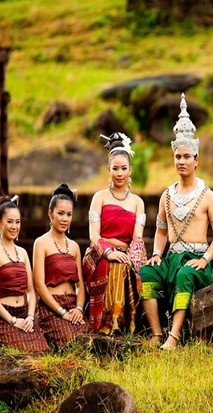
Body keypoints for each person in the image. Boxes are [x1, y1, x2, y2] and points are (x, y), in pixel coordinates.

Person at [140, 93, 213, 350]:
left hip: (196, 260)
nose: (182, 161)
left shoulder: (208, 195)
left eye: (187, 157)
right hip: (171, 258)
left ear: (196, 160)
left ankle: (174, 336)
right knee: (147, 272)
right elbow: (161, 230)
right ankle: (156, 333)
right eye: (178, 157)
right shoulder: (167, 194)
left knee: (186, 275)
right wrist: (156, 253)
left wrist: (205, 259)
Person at [82, 132, 147, 335]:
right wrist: (109, 252)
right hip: (99, 252)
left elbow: (137, 239)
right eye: (115, 169)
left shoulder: (138, 202)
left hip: (125, 255)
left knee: (124, 268)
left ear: (130, 170)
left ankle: (120, 326)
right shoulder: (99, 197)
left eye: (124, 169)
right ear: (108, 170)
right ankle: (109, 326)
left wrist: (133, 259)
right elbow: (94, 236)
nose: (120, 173)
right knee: (115, 266)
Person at [0, 195, 49, 353]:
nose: (14, 226)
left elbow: (32, 291)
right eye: (9, 221)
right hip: (3, 317)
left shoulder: (23, 253)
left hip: (25, 314)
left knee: (42, 350)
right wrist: (12, 320)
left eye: (17, 222)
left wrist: (30, 317)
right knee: (23, 353)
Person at [33, 183, 91, 348]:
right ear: (50, 214)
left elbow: (80, 285)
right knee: (71, 342)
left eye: (69, 214)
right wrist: (61, 312)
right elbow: (39, 284)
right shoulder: (41, 243)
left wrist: (79, 309)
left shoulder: (73, 246)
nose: (65, 219)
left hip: (72, 306)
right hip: (52, 308)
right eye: (60, 213)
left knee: (89, 339)